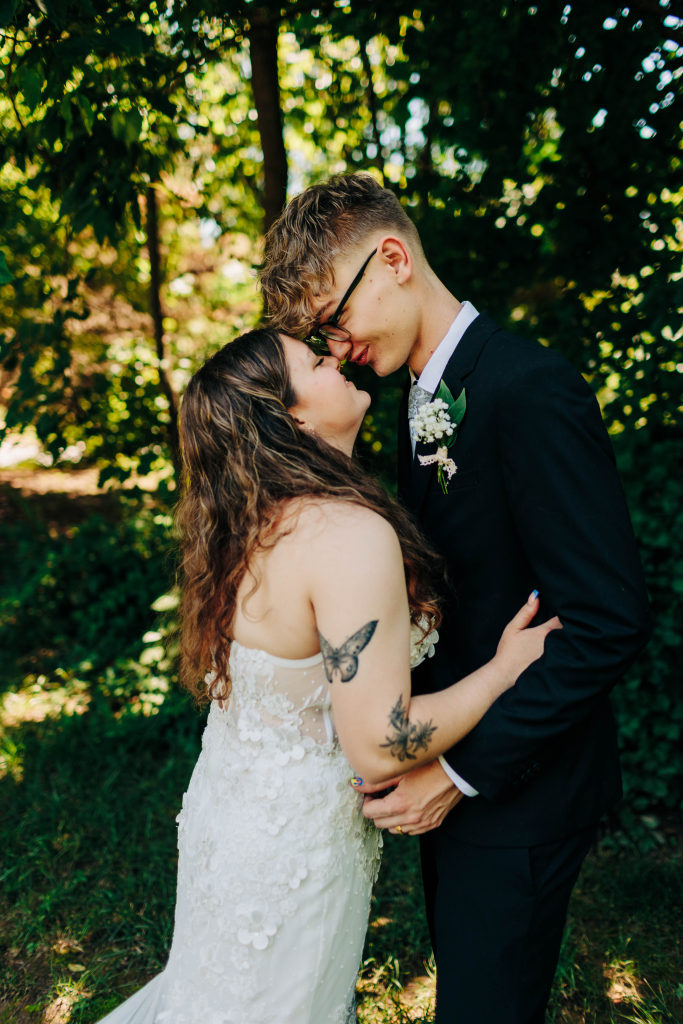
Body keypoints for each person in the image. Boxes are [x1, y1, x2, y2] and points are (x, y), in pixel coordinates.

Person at [259, 173, 652, 1024]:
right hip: (457, 776)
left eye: (334, 319)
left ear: (392, 258)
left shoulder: (527, 390)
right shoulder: (409, 394)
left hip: (519, 787)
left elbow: (606, 620)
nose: (334, 347)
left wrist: (459, 773)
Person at [94, 328, 560, 1024]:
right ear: (291, 418)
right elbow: (379, 744)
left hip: (234, 820)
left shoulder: (246, 523)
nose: (335, 355)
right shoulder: (342, 536)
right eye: (313, 362)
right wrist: (500, 673)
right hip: (291, 858)